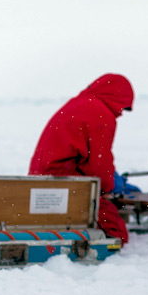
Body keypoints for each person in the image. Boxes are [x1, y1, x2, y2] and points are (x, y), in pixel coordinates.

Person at [29, 73, 134, 244]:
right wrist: (107, 189)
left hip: (40, 178)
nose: (121, 113)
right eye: (124, 107)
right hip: (65, 181)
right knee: (116, 234)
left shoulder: (79, 103)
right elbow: (99, 163)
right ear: (117, 97)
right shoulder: (100, 114)